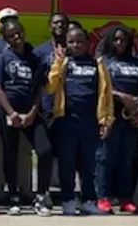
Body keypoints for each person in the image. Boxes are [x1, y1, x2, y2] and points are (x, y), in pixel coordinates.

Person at [44, 26, 114, 216]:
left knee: (89, 163)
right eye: (72, 42)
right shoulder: (64, 63)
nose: (76, 45)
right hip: (67, 119)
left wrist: (106, 120)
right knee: (67, 162)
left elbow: (106, 94)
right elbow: (50, 87)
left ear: (87, 43)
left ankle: (89, 200)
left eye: (80, 41)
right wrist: (58, 63)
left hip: (90, 120)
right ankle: (67, 200)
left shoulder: (96, 64)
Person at [0, 19, 44, 215]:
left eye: (19, 32)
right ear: (5, 38)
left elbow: (39, 88)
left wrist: (33, 112)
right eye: (11, 35)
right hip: (8, 111)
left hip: (31, 111)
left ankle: (40, 195)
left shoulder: (33, 58)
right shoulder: (2, 59)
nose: (17, 37)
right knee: (10, 152)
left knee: (43, 150)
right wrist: (10, 112)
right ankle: (13, 195)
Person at [95, 25, 138, 213]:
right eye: (116, 39)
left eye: (123, 40)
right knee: (105, 157)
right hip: (111, 114)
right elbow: (100, 88)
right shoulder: (103, 62)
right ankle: (102, 197)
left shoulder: (137, 63)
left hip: (132, 116)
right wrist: (122, 97)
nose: (120, 43)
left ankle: (125, 198)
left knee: (126, 159)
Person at [29, 13, 73, 216]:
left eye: (63, 23)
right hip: (46, 110)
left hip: (70, 111)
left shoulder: (76, 48)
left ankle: (69, 197)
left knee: (68, 156)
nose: (59, 26)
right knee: (45, 153)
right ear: (49, 27)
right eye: (55, 23)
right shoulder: (40, 52)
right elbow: (37, 83)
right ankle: (42, 194)